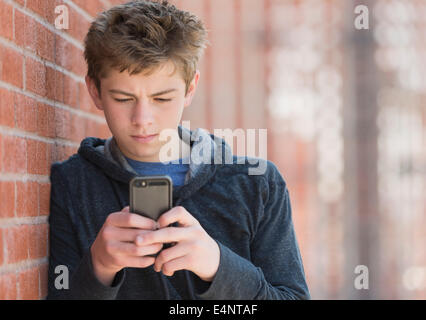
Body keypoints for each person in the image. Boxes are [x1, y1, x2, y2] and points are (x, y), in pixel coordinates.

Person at [47, 0, 310, 300]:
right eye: (122, 98)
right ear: (95, 90)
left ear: (190, 88)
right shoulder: (73, 184)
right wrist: (99, 269)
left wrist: (219, 266)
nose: (142, 120)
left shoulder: (258, 183)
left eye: (161, 99)